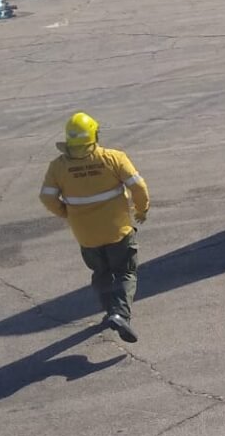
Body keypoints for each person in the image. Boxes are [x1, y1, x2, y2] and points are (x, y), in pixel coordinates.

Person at [39, 112, 150, 343]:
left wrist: (66, 213)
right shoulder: (113, 158)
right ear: (95, 135)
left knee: (101, 272)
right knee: (126, 272)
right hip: (117, 231)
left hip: (86, 235)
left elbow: (47, 197)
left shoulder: (58, 167)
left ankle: (110, 311)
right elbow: (138, 187)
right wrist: (141, 210)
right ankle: (120, 314)